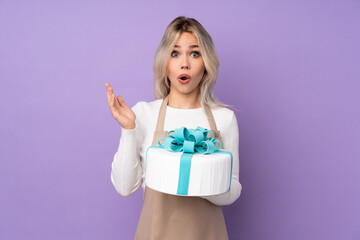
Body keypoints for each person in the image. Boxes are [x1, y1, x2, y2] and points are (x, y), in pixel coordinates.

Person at [106, 16, 242, 240]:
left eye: (195, 53)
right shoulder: (143, 114)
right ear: (164, 62)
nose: (184, 63)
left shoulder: (224, 119)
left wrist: (202, 178)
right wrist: (128, 130)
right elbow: (124, 187)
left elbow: (234, 189)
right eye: (175, 53)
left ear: (206, 63)